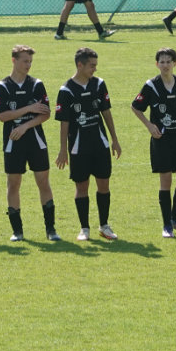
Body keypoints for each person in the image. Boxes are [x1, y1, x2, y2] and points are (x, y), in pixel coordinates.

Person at [55, 47, 122, 240]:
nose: (95, 69)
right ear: (80, 65)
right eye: (92, 66)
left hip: (100, 144)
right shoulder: (66, 90)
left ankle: (104, 226)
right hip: (78, 146)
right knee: (81, 187)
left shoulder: (99, 84)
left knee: (103, 185)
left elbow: (106, 112)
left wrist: (114, 140)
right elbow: (64, 122)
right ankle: (84, 229)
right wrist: (63, 150)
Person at [0, 44, 59, 241]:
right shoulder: (3, 86)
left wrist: (25, 126)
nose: (28, 65)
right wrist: (28, 108)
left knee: (43, 182)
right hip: (13, 143)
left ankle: (51, 230)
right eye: (25, 61)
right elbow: (3, 116)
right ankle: (18, 231)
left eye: (30, 61)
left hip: (35, 140)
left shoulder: (37, 84)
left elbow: (46, 113)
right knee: (13, 184)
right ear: (14, 60)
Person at [131, 47, 176, 238]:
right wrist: (149, 126)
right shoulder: (151, 86)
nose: (165, 65)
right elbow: (136, 107)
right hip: (161, 139)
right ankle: (167, 224)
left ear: (175, 63)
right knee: (165, 180)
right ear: (157, 64)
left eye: (169, 61)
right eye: (162, 61)